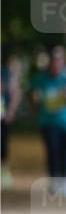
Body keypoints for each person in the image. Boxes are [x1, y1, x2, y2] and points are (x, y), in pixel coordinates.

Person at [30, 45, 66, 196]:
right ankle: (54, 180)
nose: (55, 64)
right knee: (52, 150)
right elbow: (33, 96)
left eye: (58, 61)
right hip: (48, 122)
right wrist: (36, 105)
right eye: (53, 61)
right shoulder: (41, 78)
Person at [1, 49, 23, 188]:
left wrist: (11, 111)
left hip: (2, 116)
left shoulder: (5, 72)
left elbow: (15, 93)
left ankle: (3, 173)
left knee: (2, 146)